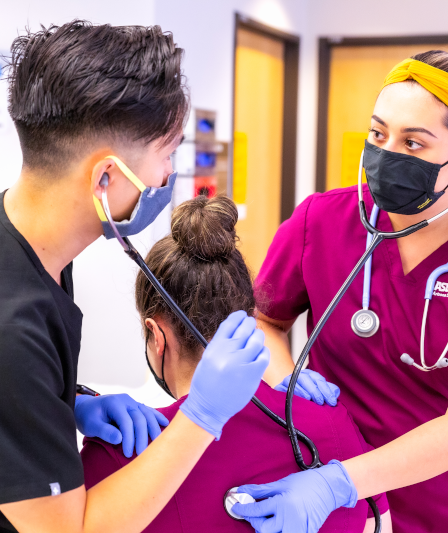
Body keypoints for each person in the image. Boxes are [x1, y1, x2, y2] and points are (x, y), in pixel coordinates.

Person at [234, 50, 448, 533]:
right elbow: (264, 320)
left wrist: (339, 482)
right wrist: (287, 377)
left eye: (413, 142)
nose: (387, 152)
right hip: (328, 467)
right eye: (378, 133)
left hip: (446, 497)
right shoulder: (321, 221)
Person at [0, 21, 271, 533]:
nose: (168, 178)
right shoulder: (13, 328)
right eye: (166, 156)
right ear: (105, 177)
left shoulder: (34, 248)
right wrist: (200, 418)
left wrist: (69, 403)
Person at [80, 194, 392, 533]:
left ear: (155, 335)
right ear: (250, 318)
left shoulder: (119, 452)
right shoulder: (331, 421)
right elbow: (381, 525)